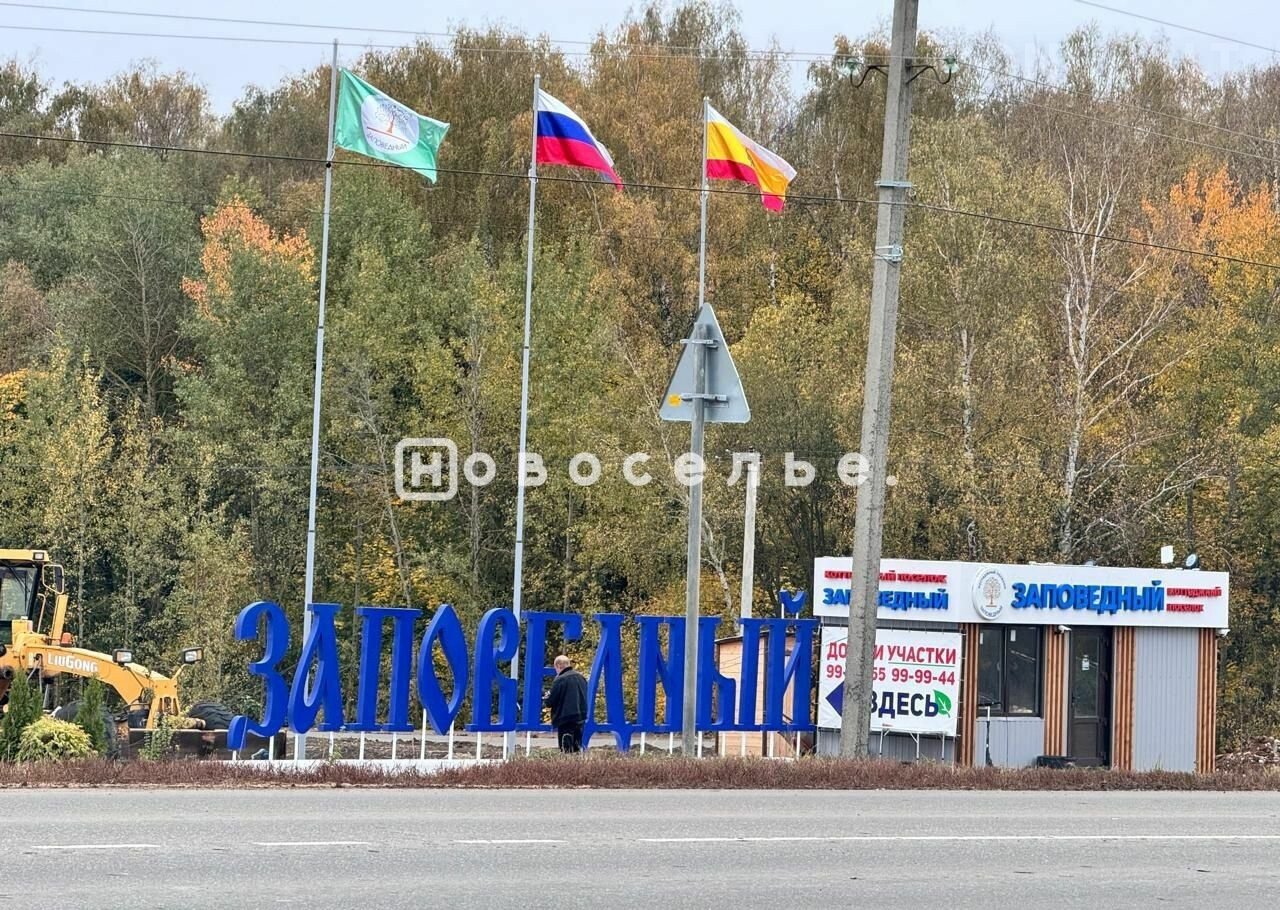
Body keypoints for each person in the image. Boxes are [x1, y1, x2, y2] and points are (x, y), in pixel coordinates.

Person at [545, 655, 588, 753]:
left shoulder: (560, 679)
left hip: (565, 718)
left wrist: (547, 697)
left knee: (566, 749)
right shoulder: (581, 678)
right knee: (577, 748)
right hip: (580, 717)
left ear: (558, 666)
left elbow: (550, 702)